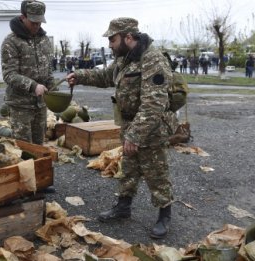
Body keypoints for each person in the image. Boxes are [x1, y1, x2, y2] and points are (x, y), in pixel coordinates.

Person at [67, 17, 178, 239]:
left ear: (128, 37)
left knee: (156, 172)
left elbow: (154, 104)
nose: (109, 44)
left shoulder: (153, 59)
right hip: (129, 123)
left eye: (112, 39)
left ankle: (164, 214)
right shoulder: (124, 59)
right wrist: (79, 76)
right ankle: (123, 207)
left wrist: (135, 135)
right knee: (129, 168)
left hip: (151, 127)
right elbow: (104, 76)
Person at [0, 0, 55, 145]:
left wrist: (53, 88)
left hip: (40, 105)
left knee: (39, 147)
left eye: (39, 22)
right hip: (20, 106)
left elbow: (48, 70)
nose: (37, 26)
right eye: (33, 22)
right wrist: (33, 86)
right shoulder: (11, 42)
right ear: (23, 17)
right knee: (24, 150)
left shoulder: (44, 41)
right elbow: (9, 74)